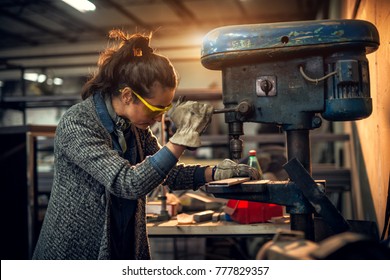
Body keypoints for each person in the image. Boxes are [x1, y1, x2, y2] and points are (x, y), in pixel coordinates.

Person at [32, 29, 259, 260]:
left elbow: (167, 174)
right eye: (155, 109)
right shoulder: (78, 123)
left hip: (121, 247)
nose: (159, 117)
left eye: (165, 109)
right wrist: (180, 139)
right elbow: (127, 183)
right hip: (74, 255)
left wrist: (214, 173)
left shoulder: (134, 127)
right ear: (128, 95)